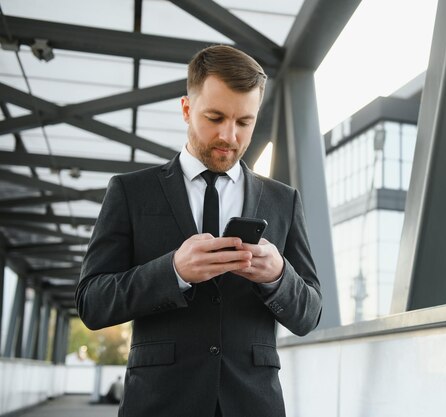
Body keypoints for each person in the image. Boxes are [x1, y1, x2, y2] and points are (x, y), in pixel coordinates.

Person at [76, 45, 322, 417]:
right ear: (187, 110)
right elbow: (91, 303)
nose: (230, 136)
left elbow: (310, 315)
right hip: (160, 403)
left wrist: (277, 275)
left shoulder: (283, 200)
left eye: (244, 122)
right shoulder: (130, 191)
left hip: (253, 404)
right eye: (215, 117)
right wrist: (172, 271)